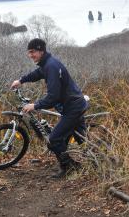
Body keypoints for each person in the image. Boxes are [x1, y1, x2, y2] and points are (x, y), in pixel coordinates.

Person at [11, 38, 88, 178]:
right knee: (80, 138)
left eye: (32, 52)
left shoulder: (51, 66)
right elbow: (37, 73)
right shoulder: (46, 64)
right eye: (29, 52)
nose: (30, 55)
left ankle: (69, 168)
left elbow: (53, 97)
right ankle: (92, 160)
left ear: (41, 50)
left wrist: (35, 105)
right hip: (73, 104)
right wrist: (21, 80)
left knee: (54, 139)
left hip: (72, 107)